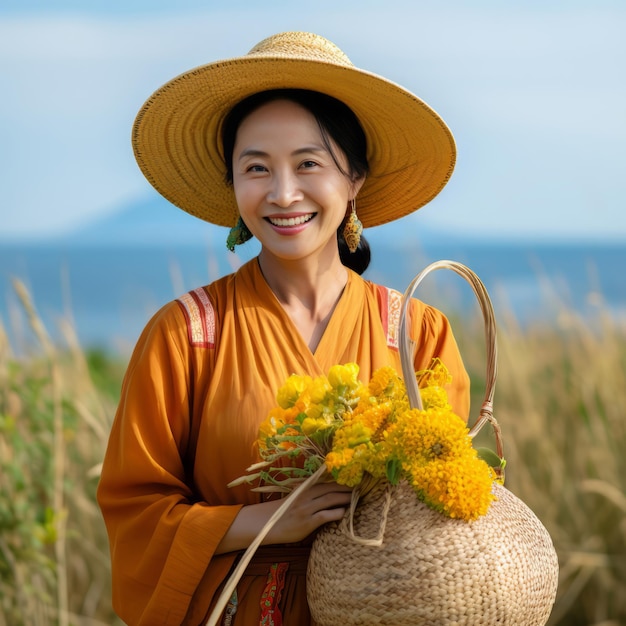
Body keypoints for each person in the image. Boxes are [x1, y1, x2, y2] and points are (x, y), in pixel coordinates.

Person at [97, 31, 470, 625]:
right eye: (256, 168)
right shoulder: (186, 335)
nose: (283, 193)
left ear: (354, 181)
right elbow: (135, 514)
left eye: (308, 163)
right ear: (234, 187)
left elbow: (444, 510)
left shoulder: (418, 335)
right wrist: (266, 521)